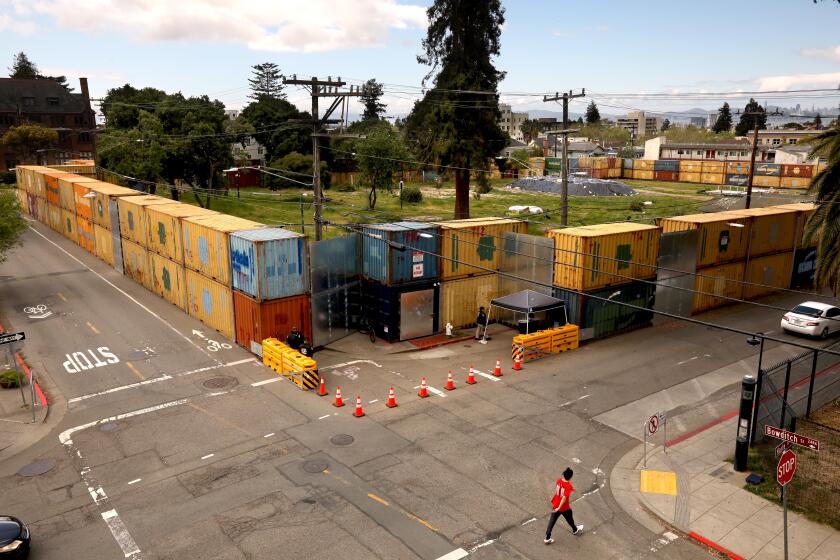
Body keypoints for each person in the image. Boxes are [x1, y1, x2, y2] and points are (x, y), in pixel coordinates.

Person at [544, 467, 583, 544]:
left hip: (556, 503)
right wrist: (559, 507)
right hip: (563, 507)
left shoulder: (559, 481)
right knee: (569, 517)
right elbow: (564, 498)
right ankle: (575, 530)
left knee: (552, 521)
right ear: (571, 477)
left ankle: (547, 538)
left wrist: (572, 489)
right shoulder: (568, 486)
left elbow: (565, 488)